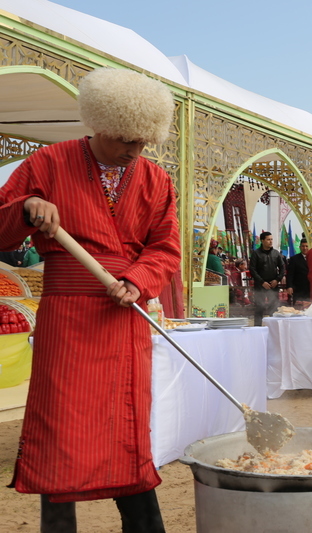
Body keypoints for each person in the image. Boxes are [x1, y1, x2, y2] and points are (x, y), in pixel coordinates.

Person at [0, 68, 180, 532]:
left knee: (127, 427)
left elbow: (166, 249)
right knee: (61, 428)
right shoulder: (47, 163)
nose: (133, 151)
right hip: (67, 321)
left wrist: (138, 279)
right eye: (124, 139)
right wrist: (25, 209)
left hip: (125, 316)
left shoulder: (157, 180)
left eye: (143, 142)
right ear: (99, 123)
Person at [250, 231, 284, 324]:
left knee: (274, 307)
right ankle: (257, 328)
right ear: (262, 240)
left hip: (273, 285)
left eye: (271, 239)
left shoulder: (276, 253)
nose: (271, 241)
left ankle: (273, 327)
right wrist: (262, 282)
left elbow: (282, 268)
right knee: (259, 307)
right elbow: (252, 270)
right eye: (268, 239)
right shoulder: (256, 254)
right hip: (260, 285)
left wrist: (277, 280)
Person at [286, 238, 311, 305]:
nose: (305, 248)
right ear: (300, 247)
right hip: (299, 288)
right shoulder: (294, 259)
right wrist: (289, 286)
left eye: (306, 246)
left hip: (311, 288)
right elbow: (290, 274)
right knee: (298, 307)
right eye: (303, 246)